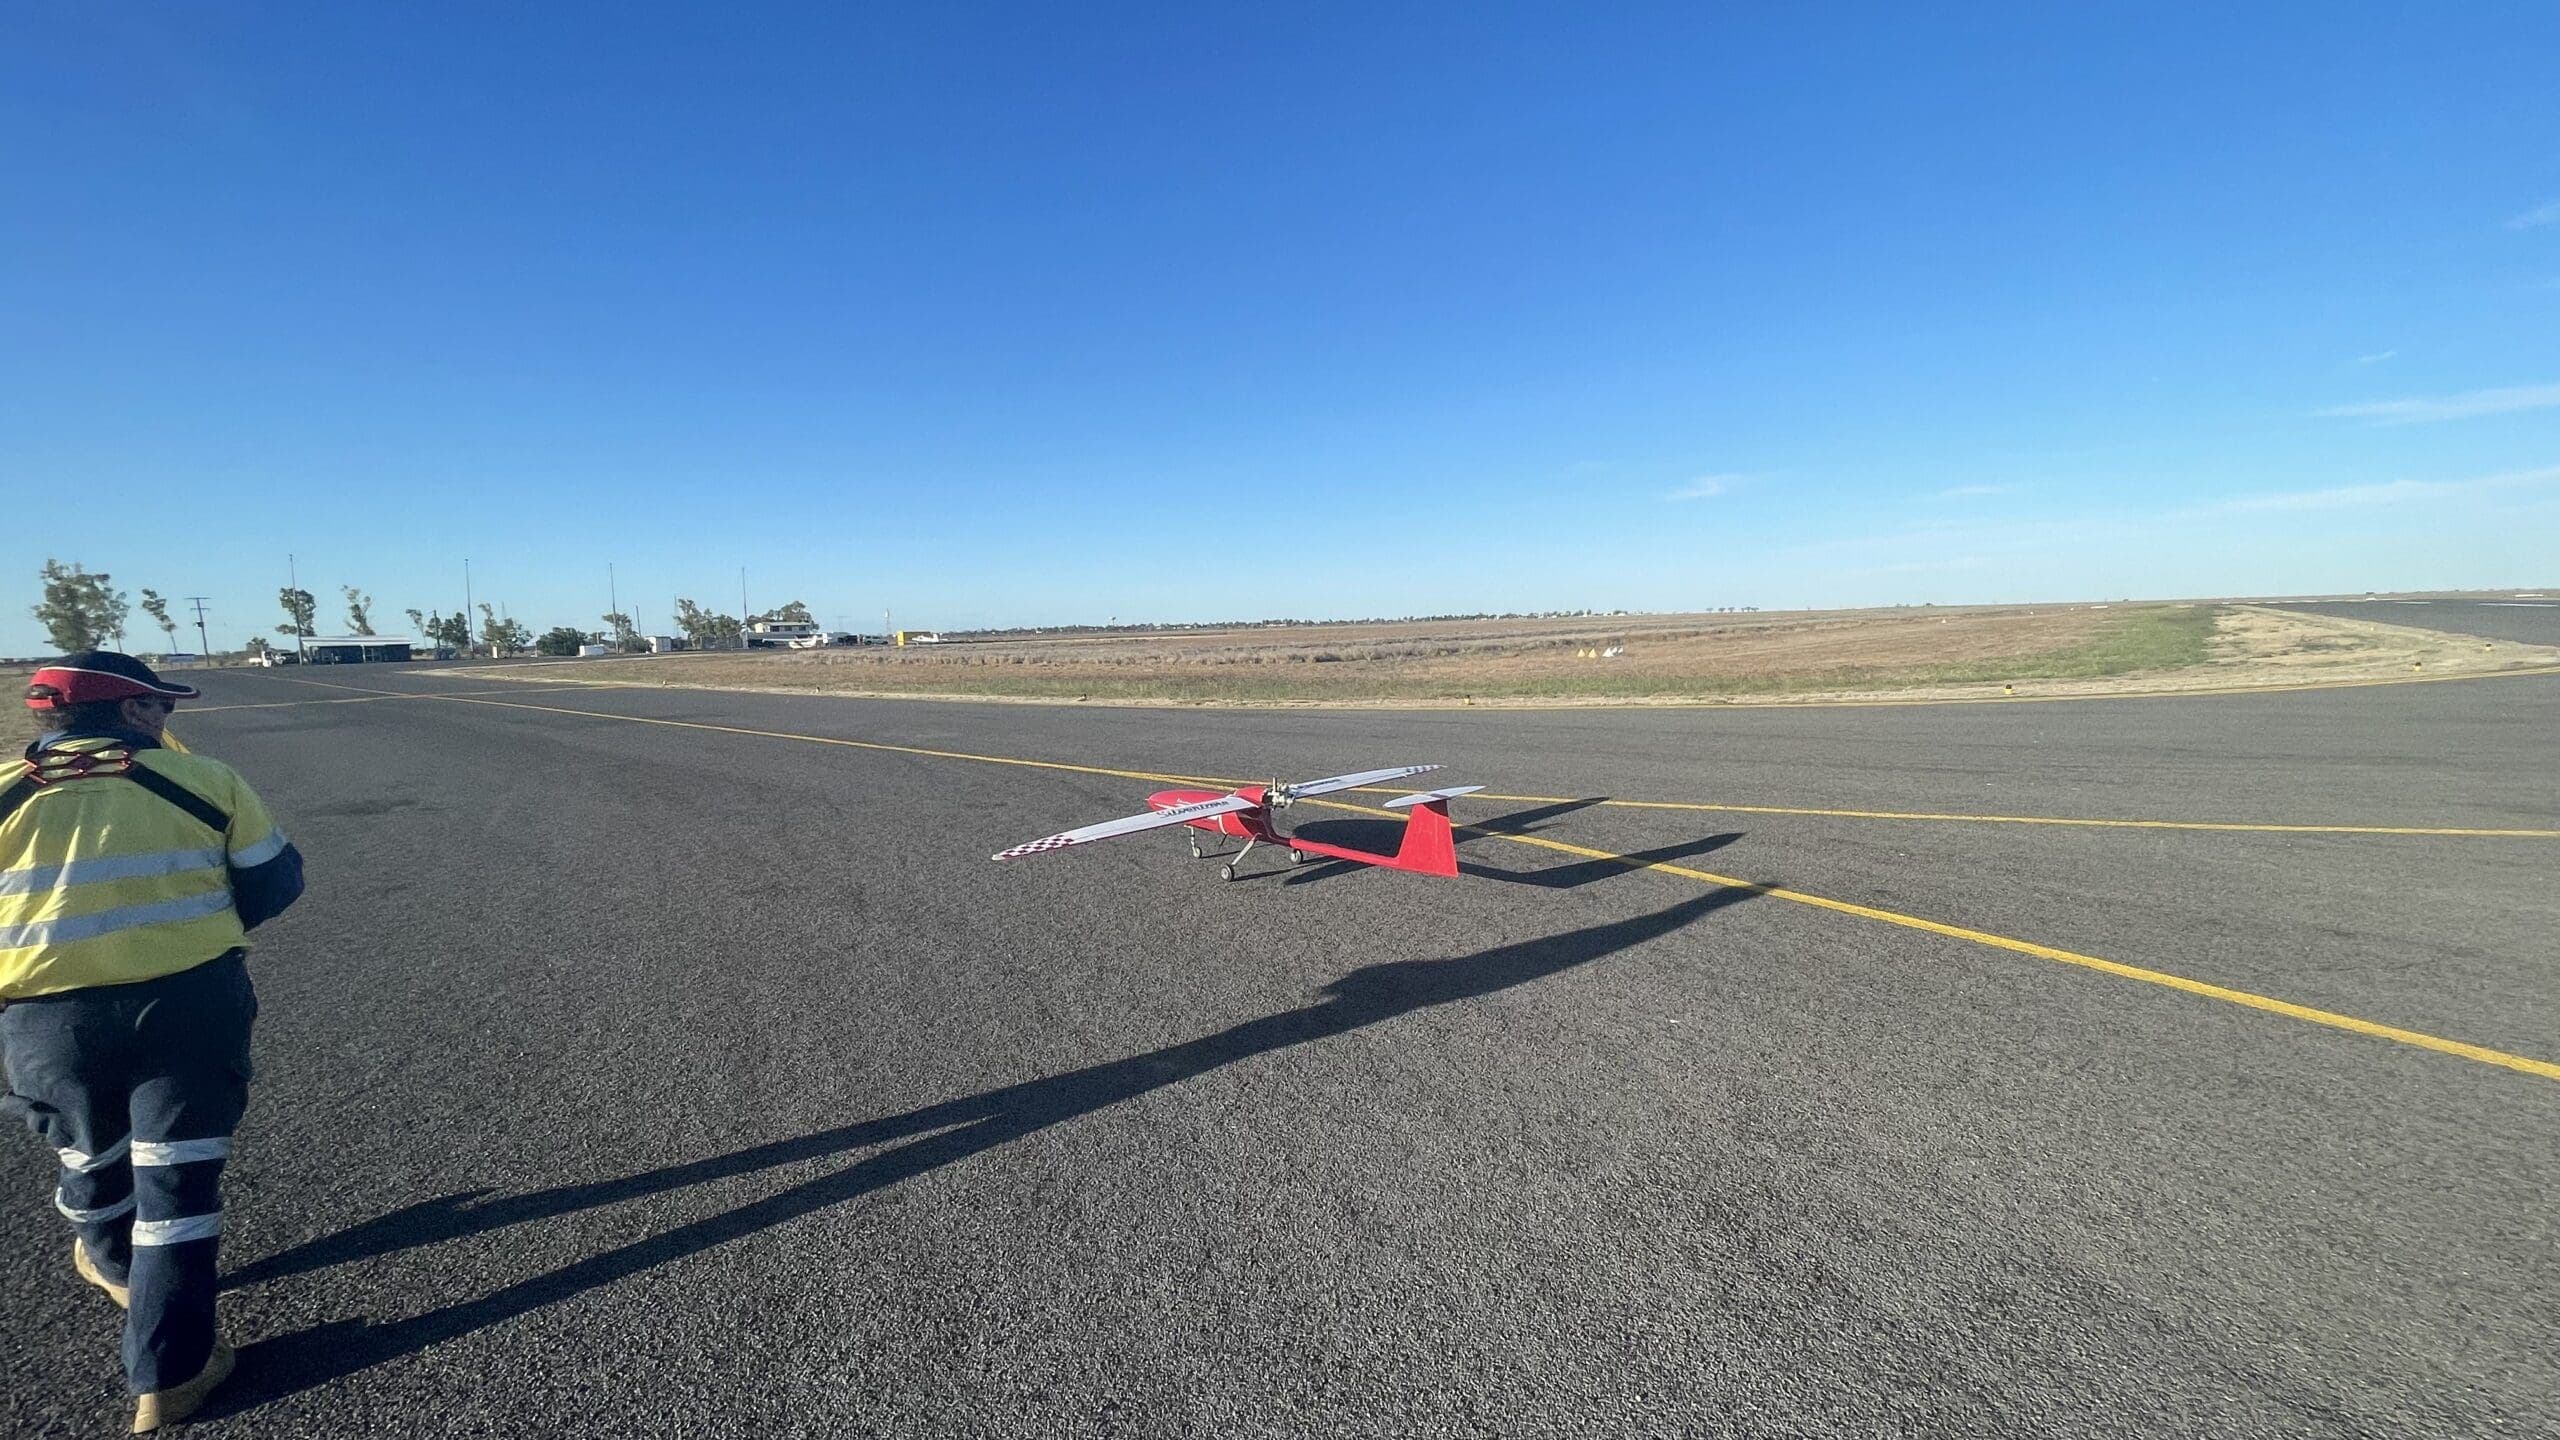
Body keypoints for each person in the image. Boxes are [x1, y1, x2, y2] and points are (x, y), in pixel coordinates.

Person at [2, 651, 303, 1431]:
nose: (168, 720)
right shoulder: (202, 780)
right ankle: (172, 1374)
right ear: (133, 712)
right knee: (177, 1185)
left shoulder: (4, 792)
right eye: (161, 707)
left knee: (87, 1155)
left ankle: (112, 1263)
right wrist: (200, 925)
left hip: (42, 1022)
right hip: (188, 1005)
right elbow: (275, 880)